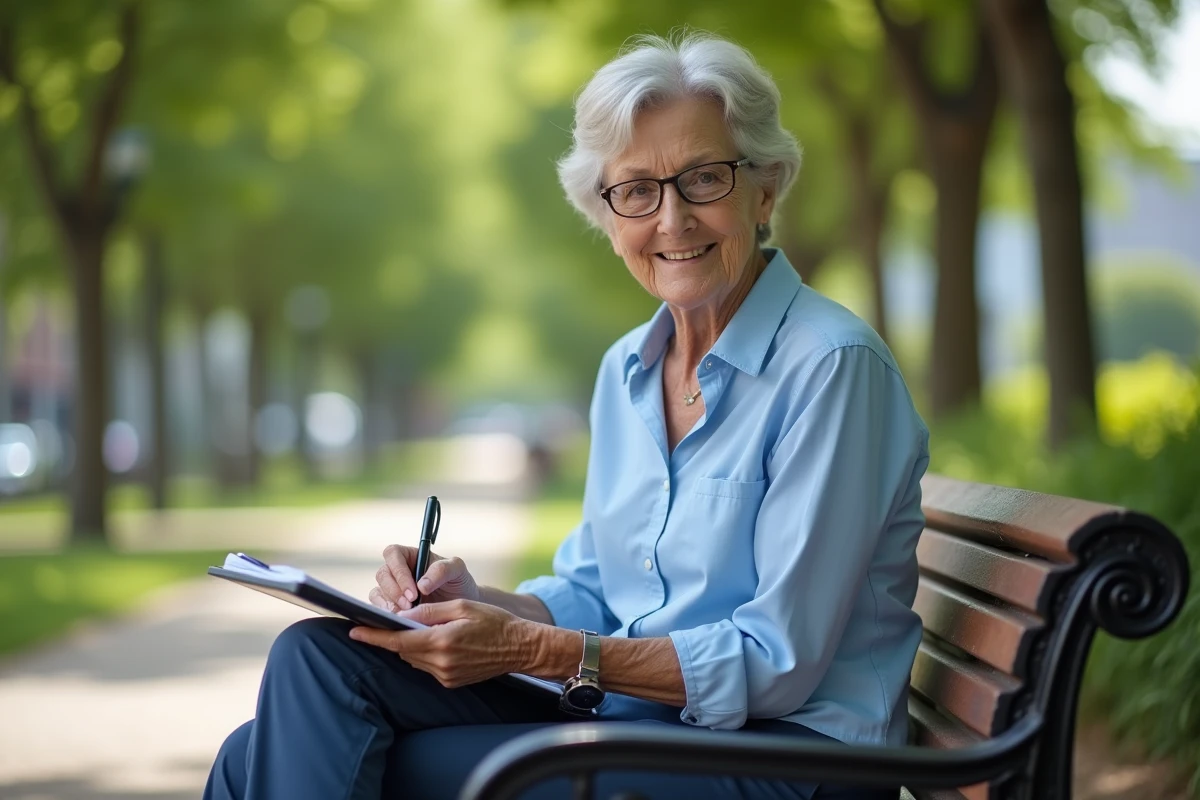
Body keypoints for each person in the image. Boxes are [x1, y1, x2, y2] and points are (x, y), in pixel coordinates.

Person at [205, 31, 929, 800]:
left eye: (704, 179)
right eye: (637, 191)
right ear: (607, 214)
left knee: (292, 764)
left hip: (792, 759)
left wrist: (532, 648)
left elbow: (775, 662)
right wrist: (472, 603)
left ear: (765, 189)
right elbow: (593, 589)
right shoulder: (628, 370)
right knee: (312, 665)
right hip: (649, 717)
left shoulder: (832, 368)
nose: (672, 219)